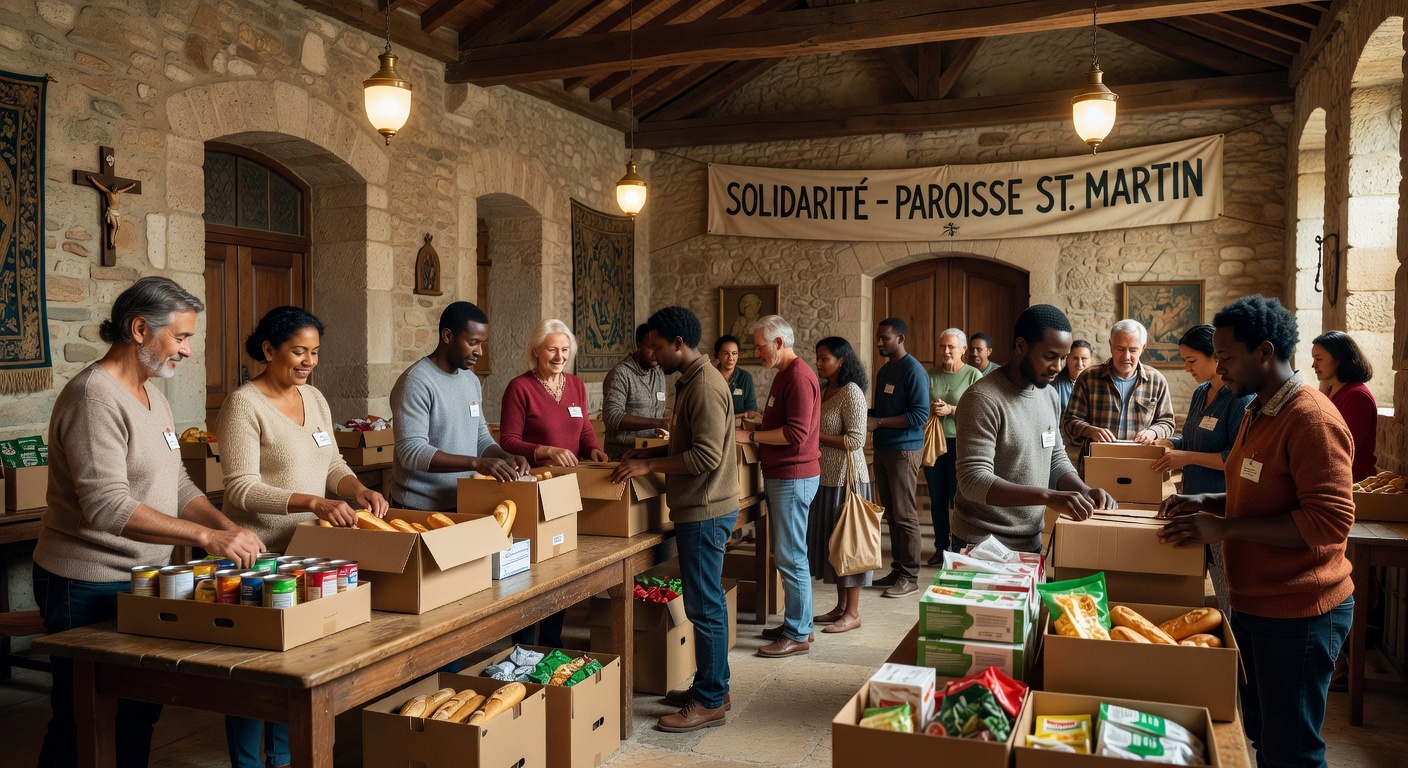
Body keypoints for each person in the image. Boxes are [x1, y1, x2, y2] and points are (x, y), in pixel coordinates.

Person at [33, 277, 264, 768]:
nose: (187, 350)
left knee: (138, 713)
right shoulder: (94, 398)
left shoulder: (153, 397)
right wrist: (206, 536)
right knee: (82, 721)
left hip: (145, 579)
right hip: (85, 583)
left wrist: (226, 527)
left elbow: (178, 484)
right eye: (180, 337)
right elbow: (107, 506)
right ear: (139, 329)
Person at [1159, 295, 1354, 768]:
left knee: (1293, 750)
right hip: (1256, 602)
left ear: (1265, 352)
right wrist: (1207, 501)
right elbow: (1260, 489)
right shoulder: (1259, 410)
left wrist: (1224, 527)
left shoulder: (1311, 420)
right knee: (1265, 735)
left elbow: (1328, 522)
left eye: (1226, 356)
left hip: (1300, 610)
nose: (1219, 367)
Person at [217, 306, 390, 768]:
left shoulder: (314, 398)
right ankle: (248, 764)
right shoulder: (243, 404)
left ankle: (281, 759)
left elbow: (332, 464)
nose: (308, 361)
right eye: (298, 351)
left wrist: (358, 489)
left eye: (314, 352)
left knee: (296, 667)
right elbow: (240, 487)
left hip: (308, 555)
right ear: (269, 349)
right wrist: (312, 503)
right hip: (258, 558)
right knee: (255, 674)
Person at [611, 306, 737, 732]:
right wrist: (649, 453)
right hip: (703, 506)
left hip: (704, 509)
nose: (653, 352)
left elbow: (705, 456)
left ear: (677, 345)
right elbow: (689, 443)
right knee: (707, 603)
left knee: (704, 608)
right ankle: (711, 685)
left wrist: (650, 468)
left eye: (657, 345)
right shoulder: (694, 380)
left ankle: (710, 701)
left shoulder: (703, 385)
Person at [953, 305, 1116, 552]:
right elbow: (973, 481)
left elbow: (1055, 459)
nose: (1058, 367)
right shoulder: (982, 399)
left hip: (1030, 540)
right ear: (1021, 346)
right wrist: (1047, 496)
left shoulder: (1048, 395)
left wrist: (1083, 490)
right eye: (1049, 357)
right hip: (981, 544)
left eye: (1062, 358)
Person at [499, 319, 607, 647]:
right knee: (530, 572)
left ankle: (550, 641)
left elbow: (585, 428)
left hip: (565, 489)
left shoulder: (575, 385)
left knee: (560, 566)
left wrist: (593, 450)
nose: (559, 356)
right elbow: (508, 441)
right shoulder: (520, 388)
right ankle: (521, 644)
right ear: (536, 352)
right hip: (531, 489)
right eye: (552, 350)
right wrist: (545, 450)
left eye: (564, 350)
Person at [1150, 324, 1252, 618]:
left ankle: (1235, 655)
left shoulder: (1238, 399)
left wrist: (1186, 457)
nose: (1186, 368)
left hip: (1221, 505)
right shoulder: (1200, 393)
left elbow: (1234, 457)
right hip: (1193, 503)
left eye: (1191, 360)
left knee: (1228, 592)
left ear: (1215, 357)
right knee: (1202, 586)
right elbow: (1192, 439)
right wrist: (1169, 442)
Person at [391, 301, 532, 511]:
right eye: (473, 342)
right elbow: (412, 452)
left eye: (482, 343)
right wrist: (476, 463)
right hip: (419, 507)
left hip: (464, 499)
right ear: (448, 336)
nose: (480, 352)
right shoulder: (416, 382)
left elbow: (480, 436)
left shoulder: (471, 380)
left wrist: (504, 457)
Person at [738, 315, 821, 657]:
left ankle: (798, 633)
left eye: (760, 346)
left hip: (793, 476)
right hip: (784, 475)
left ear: (778, 343)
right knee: (790, 553)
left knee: (791, 556)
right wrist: (760, 421)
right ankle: (799, 623)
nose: (756, 352)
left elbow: (796, 434)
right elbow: (784, 421)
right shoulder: (784, 374)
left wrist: (752, 434)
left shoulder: (799, 377)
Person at [806, 337, 871, 633]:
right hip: (826, 478)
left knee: (849, 545)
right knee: (834, 546)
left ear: (841, 360)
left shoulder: (852, 392)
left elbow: (856, 440)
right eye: (818, 358)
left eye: (825, 358)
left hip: (848, 480)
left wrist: (814, 436)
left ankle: (854, 613)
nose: (819, 363)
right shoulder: (823, 389)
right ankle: (840, 607)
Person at [865, 317, 930, 598]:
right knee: (891, 514)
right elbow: (881, 411)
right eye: (879, 338)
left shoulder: (913, 370)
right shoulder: (884, 371)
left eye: (886, 338)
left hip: (904, 450)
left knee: (905, 515)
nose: (880, 342)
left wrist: (878, 422)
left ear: (901, 339)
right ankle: (897, 568)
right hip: (883, 448)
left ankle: (910, 576)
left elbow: (919, 415)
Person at [1061, 319, 1176, 468]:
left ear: (1143, 348)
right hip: (1097, 464)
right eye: (1120, 349)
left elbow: (1167, 422)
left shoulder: (1157, 381)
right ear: (1110, 346)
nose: (1126, 356)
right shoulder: (1088, 378)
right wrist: (1091, 431)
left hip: (1142, 466)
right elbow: (1070, 421)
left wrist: (1152, 433)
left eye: (1133, 350)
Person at [923, 329, 984, 566]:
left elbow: (980, 410)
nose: (946, 351)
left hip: (962, 444)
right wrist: (930, 409)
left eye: (951, 347)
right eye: (942, 346)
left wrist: (952, 410)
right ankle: (940, 547)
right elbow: (919, 405)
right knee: (937, 498)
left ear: (963, 350)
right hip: (935, 444)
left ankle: (960, 547)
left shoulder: (973, 375)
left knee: (958, 498)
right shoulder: (930, 375)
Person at [1311, 330, 1378, 481]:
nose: (1313, 365)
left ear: (1339, 359)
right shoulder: (1330, 389)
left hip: (1352, 481)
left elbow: (1344, 449)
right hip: (1333, 475)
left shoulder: (1357, 396)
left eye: (1319, 359)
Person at [601, 323, 668, 460]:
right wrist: (658, 423)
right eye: (652, 347)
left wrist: (660, 430)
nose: (657, 354)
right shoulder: (620, 374)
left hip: (649, 454)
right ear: (639, 346)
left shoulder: (658, 373)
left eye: (660, 348)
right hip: (622, 457)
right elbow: (612, 416)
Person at [713, 335, 759, 419]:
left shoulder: (745, 377)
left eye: (734, 353)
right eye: (725, 353)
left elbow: (751, 410)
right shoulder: (710, 376)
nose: (731, 358)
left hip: (738, 428)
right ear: (717, 355)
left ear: (738, 355)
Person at [1052, 339, 1094, 414]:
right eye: (1075, 358)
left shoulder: (1097, 385)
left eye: (1084, 358)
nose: (1079, 364)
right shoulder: (1054, 383)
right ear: (1067, 359)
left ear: (1091, 360)